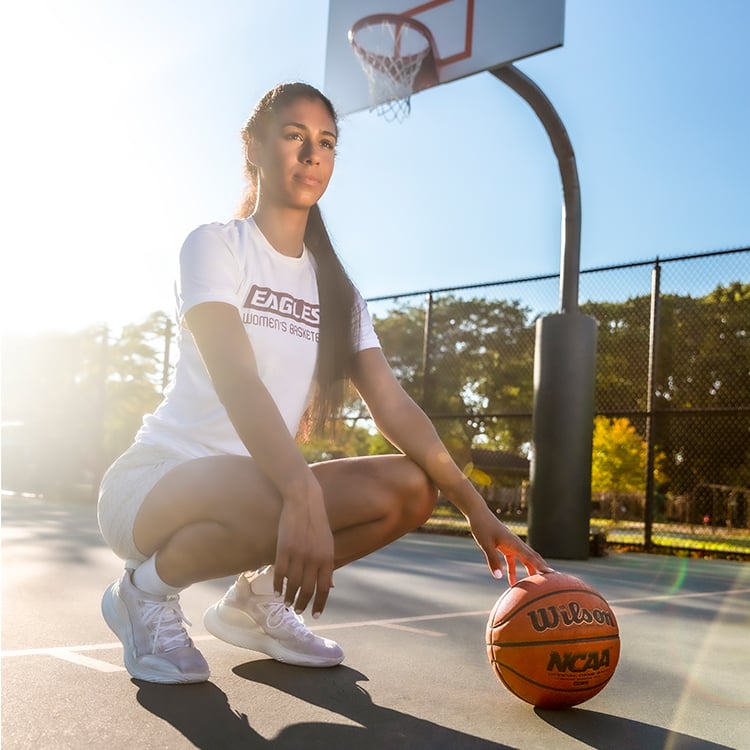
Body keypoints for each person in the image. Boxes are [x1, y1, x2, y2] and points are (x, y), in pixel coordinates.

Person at [97, 82, 553, 684]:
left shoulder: (337, 291)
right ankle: (142, 593)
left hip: (262, 486)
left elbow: (392, 405)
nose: (313, 153)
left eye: (327, 142)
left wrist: (476, 509)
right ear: (254, 149)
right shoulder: (214, 245)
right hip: (154, 486)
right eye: (294, 136)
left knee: (412, 489)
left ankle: (257, 598)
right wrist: (301, 492)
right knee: (275, 487)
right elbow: (237, 377)